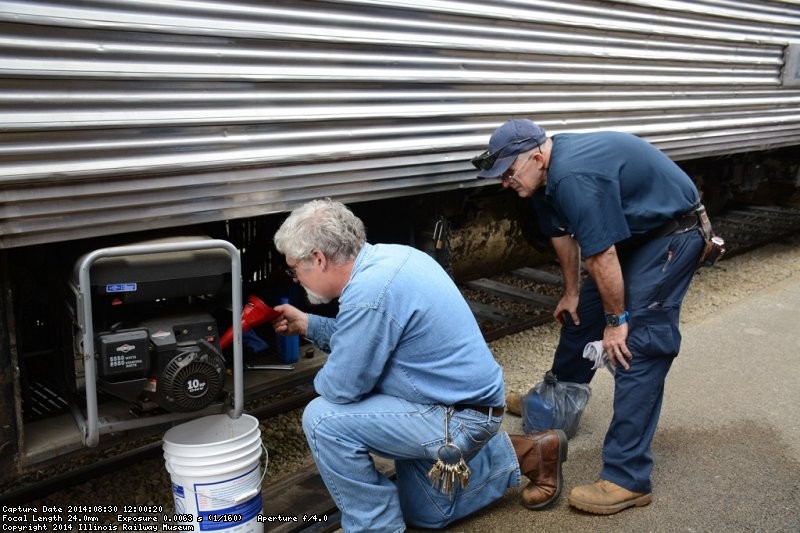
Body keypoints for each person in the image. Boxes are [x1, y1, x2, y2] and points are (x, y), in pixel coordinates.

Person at [271, 198, 568, 532]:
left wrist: (327, 376)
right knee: (428, 512)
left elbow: (342, 387)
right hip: (462, 405)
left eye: (294, 268)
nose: (295, 278)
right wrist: (310, 325)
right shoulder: (392, 258)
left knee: (322, 418)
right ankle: (531, 452)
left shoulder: (368, 294)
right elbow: (366, 337)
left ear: (319, 259)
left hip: (455, 417)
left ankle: (375, 527)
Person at [472, 119, 708, 515]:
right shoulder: (542, 178)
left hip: (672, 235)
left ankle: (627, 478)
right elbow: (562, 235)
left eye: (509, 172)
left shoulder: (572, 176)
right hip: (636, 237)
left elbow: (602, 255)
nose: (505, 182)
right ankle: (552, 409)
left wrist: (618, 323)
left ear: (535, 156)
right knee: (580, 317)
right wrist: (572, 292)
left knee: (636, 347)